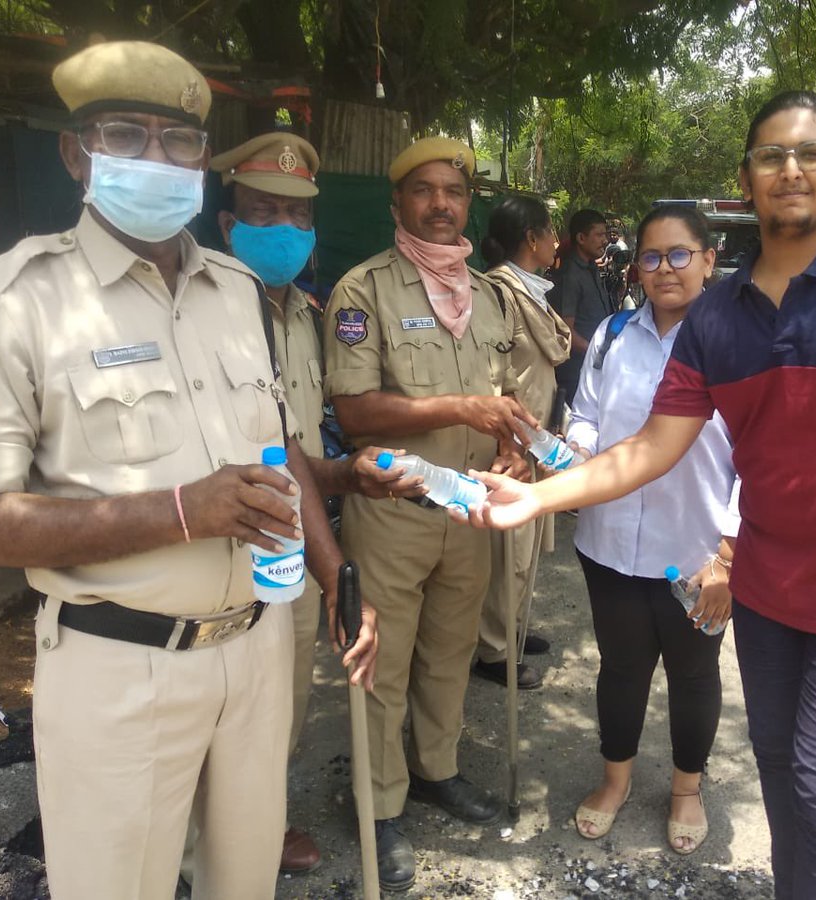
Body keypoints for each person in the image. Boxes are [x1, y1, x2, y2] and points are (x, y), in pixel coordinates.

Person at [462, 91, 816, 899]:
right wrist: (536, 499)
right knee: (780, 776)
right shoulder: (719, 319)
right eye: (772, 155)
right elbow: (648, 448)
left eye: (810, 153)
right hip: (770, 600)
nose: (790, 169)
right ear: (747, 179)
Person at [0, 41, 376, 900]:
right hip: (119, 669)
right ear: (76, 154)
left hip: (255, 654)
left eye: (179, 142)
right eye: (125, 136)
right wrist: (183, 510)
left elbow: (280, 447)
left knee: (244, 883)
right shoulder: (6, 301)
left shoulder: (237, 291)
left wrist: (333, 574)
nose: (157, 159)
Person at [199, 131, 419, 875]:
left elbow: (291, 448)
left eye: (299, 218)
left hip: (289, 542)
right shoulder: (202, 309)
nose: (285, 232)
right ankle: (207, 850)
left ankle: (260, 824)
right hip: (214, 546)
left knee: (282, 702)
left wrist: (347, 477)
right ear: (230, 226)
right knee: (213, 711)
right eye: (266, 212)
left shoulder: (302, 312)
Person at [321, 136, 531, 892]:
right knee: (385, 659)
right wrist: (457, 406)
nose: (442, 204)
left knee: (448, 652)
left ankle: (435, 769)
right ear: (397, 203)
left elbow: (506, 403)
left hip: (472, 510)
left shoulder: (490, 295)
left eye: (455, 191)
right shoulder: (362, 292)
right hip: (396, 510)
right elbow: (351, 410)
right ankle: (377, 804)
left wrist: (514, 449)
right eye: (424, 191)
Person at [565, 204, 739, 856]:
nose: (664, 269)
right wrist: (577, 449)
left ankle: (686, 790)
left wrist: (728, 552)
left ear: (707, 260)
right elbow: (584, 413)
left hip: (698, 552)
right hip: (609, 541)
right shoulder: (612, 335)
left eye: (679, 254)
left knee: (694, 675)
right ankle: (614, 783)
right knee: (621, 668)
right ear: (634, 264)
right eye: (650, 256)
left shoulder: (738, 344)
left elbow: (761, 454)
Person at [474, 196, 571, 690]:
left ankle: (512, 628)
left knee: (529, 547)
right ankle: (493, 649)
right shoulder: (500, 292)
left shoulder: (530, 291)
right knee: (509, 552)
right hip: (513, 443)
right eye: (550, 231)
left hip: (537, 439)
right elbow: (493, 376)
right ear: (532, 238)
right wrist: (510, 439)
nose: (556, 241)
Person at [551, 209, 612, 403]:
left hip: (594, 365)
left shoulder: (592, 267)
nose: (605, 240)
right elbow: (565, 330)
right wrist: (598, 353)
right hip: (576, 372)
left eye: (606, 234)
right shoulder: (570, 274)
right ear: (581, 238)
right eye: (599, 235)